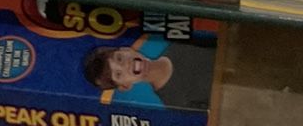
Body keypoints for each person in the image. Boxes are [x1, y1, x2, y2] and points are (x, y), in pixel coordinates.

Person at [82, 30, 216, 110]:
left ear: (127, 49)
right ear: (125, 86)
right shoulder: (177, 102)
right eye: (119, 74)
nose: (126, 65)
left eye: (120, 58)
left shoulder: (182, 42)